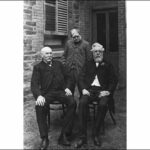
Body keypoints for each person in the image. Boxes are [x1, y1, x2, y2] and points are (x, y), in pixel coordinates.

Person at [31, 47, 77, 150]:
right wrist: (39, 95)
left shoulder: (59, 64)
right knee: (39, 106)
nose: (49, 55)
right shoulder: (38, 67)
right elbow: (34, 84)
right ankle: (44, 138)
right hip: (47, 94)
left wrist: (68, 88)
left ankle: (64, 134)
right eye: (47, 54)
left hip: (61, 91)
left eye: (51, 53)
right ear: (42, 55)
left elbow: (69, 77)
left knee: (72, 102)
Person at [74, 42, 118, 148]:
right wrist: (83, 89)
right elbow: (81, 78)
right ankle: (82, 137)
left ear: (102, 52)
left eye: (99, 51)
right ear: (92, 53)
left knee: (103, 105)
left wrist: (108, 91)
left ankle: (96, 134)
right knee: (82, 103)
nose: (97, 53)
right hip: (89, 90)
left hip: (102, 91)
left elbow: (114, 80)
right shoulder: (88, 63)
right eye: (95, 52)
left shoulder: (108, 64)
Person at [62, 28, 92, 95]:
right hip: (70, 70)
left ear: (80, 35)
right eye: (74, 37)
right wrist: (65, 64)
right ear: (71, 37)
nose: (76, 38)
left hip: (81, 71)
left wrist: (86, 70)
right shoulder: (68, 43)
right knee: (69, 89)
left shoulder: (86, 44)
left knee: (82, 89)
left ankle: (82, 103)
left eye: (77, 36)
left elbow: (89, 59)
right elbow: (64, 56)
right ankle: (70, 103)